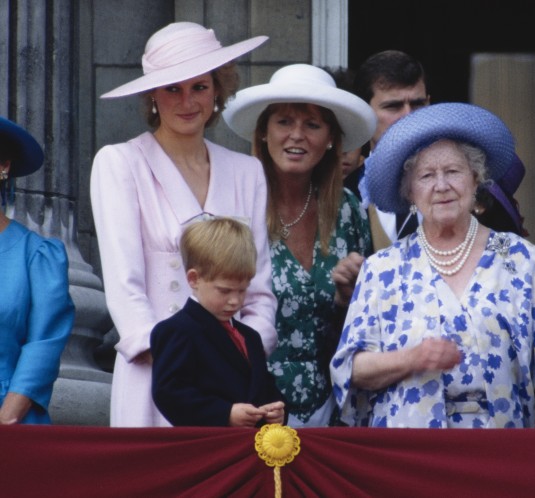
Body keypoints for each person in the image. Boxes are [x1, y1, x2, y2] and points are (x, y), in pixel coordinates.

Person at [330, 103, 535, 428]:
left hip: (500, 453)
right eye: (427, 176)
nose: (441, 185)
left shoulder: (520, 260)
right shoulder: (382, 268)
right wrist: (412, 359)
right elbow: (350, 369)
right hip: (409, 456)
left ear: (475, 180)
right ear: (410, 192)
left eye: (453, 171)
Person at [90, 22, 277, 427]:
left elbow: (259, 292)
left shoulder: (248, 172)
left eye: (199, 86)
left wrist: (243, 355)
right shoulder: (120, 163)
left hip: (237, 386)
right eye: (172, 88)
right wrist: (179, 356)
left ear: (217, 90)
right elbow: (125, 286)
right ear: (152, 95)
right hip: (157, 377)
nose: (187, 101)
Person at [223, 64, 375, 427]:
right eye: (284, 122)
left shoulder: (349, 211)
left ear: (331, 140)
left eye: (312, 124)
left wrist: (348, 299)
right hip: (251, 409)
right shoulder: (236, 206)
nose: (297, 135)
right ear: (262, 133)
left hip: (335, 413)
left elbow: (368, 328)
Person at [151, 218, 285, 427]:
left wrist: (274, 410)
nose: (235, 301)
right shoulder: (176, 330)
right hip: (208, 447)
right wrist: (225, 414)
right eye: (224, 290)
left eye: (242, 290)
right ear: (194, 279)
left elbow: (265, 388)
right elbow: (169, 394)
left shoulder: (250, 337)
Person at [0, 117, 75, 424]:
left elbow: (45, 341)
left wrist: (9, 415)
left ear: (3, 166)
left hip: (10, 418)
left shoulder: (37, 255)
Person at [345, 50, 431, 249]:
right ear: (363, 113)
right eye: (393, 106)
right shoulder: (344, 194)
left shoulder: (463, 187)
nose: (408, 116)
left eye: (418, 104)